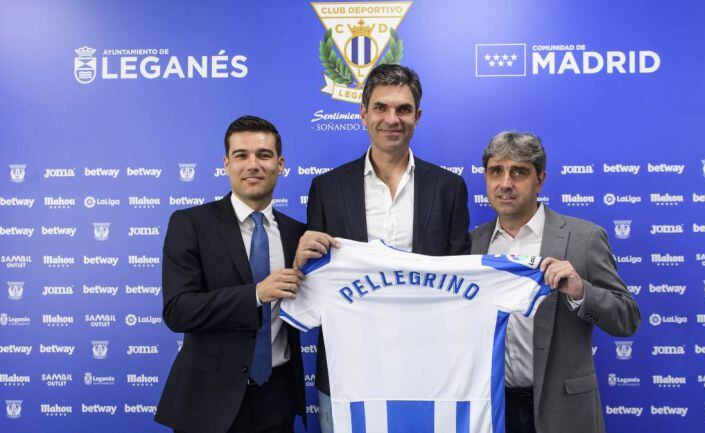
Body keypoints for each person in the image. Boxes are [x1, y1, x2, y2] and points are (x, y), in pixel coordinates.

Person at [295, 64, 471, 432]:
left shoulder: (448, 188)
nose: (392, 119)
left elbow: (461, 283)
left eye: (403, 109)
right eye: (381, 108)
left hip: (430, 365)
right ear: (363, 114)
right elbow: (315, 280)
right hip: (349, 366)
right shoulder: (327, 189)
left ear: (417, 117)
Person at [470, 131, 640, 433]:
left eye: (519, 172)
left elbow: (627, 318)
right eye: (496, 171)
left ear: (540, 180)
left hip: (562, 411)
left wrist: (580, 291)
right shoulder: (471, 244)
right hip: (490, 410)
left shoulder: (583, 238)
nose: (506, 183)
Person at [155, 116, 306, 433]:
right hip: (208, 400)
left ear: (280, 164)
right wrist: (257, 294)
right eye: (241, 155)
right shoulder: (190, 224)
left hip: (277, 397)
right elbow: (177, 310)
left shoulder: (297, 234)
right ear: (226, 164)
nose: (253, 165)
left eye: (264, 155)